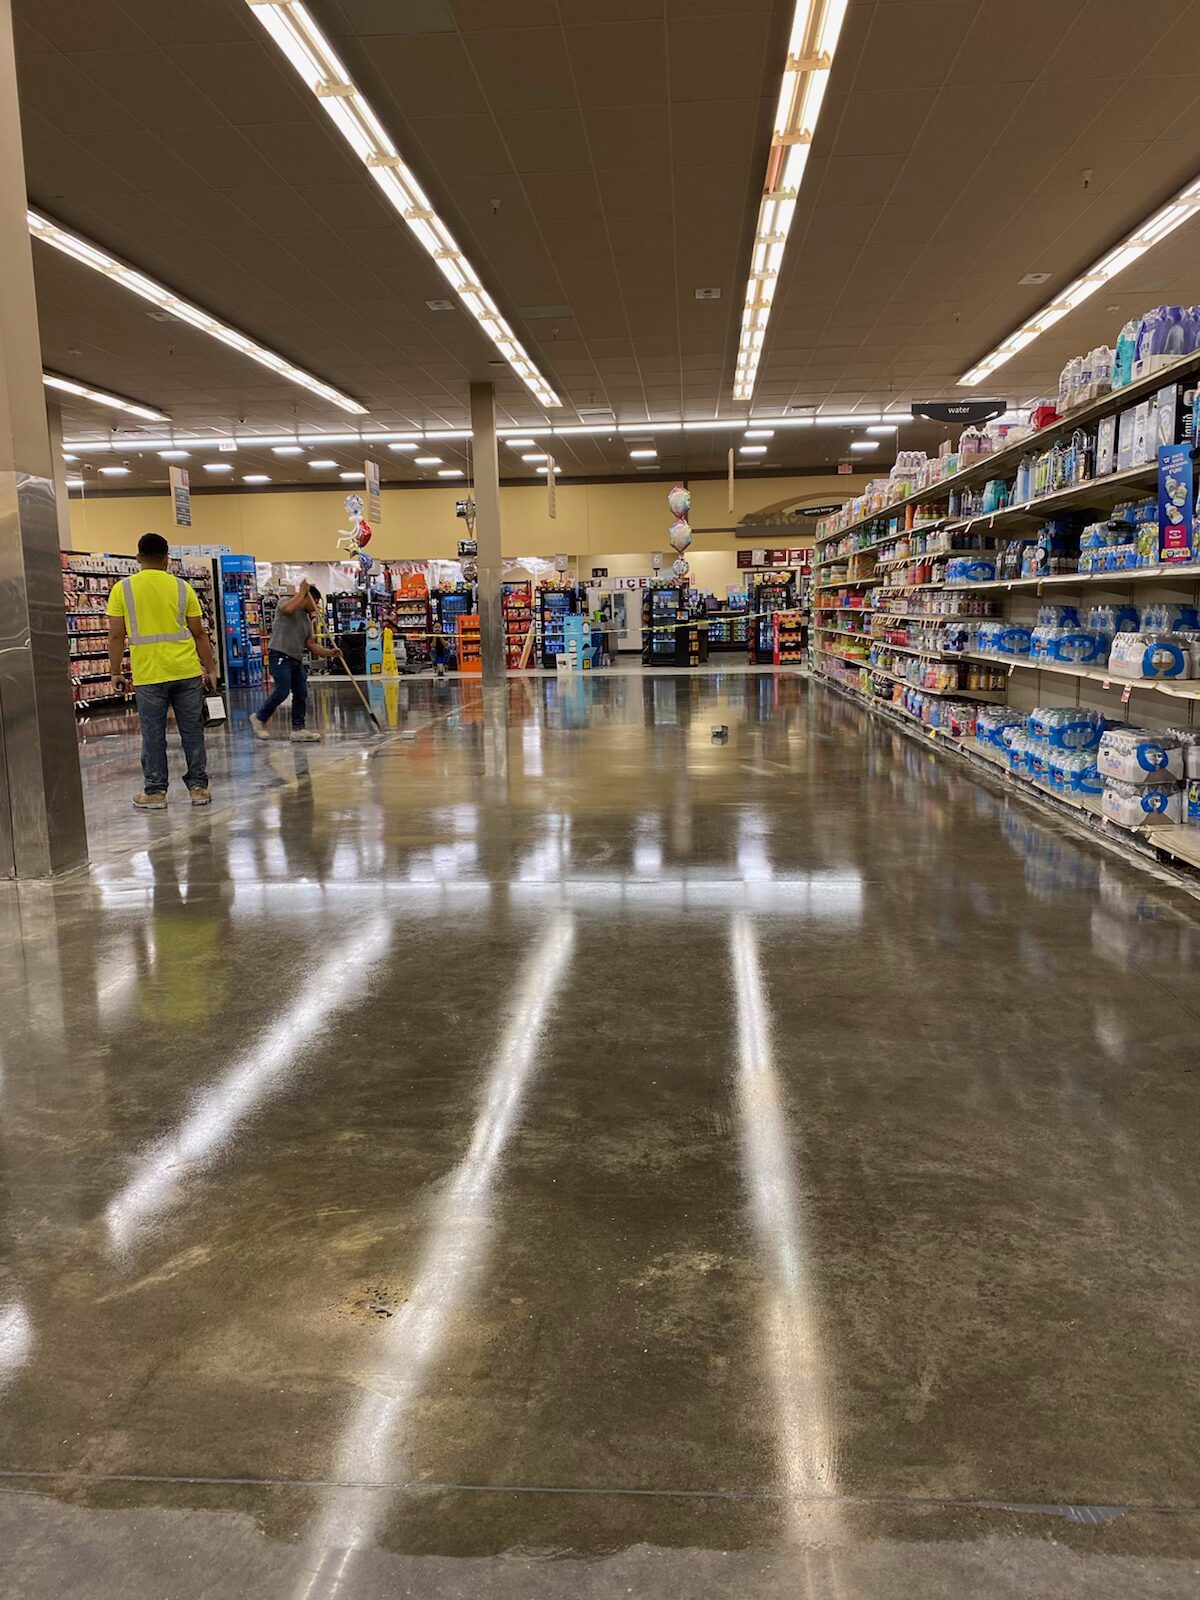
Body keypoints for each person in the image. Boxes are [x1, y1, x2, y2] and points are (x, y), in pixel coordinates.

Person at [107, 532, 219, 810]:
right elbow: (199, 634)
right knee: (192, 730)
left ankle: (155, 792)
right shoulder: (183, 588)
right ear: (167, 558)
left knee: (153, 733)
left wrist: (115, 671)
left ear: (138, 558)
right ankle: (198, 788)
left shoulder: (123, 589)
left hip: (149, 673)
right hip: (186, 670)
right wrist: (211, 668)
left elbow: (116, 637)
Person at [251, 580, 341, 743]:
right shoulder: (285, 602)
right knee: (282, 690)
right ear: (308, 598)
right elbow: (287, 609)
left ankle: (298, 729)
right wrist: (302, 592)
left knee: (301, 693)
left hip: (296, 659)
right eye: (315, 602)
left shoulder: (307, 621)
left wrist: (330, 653)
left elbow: (311, 644)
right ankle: (259, 717)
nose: (316, 607)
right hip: (279, 655)